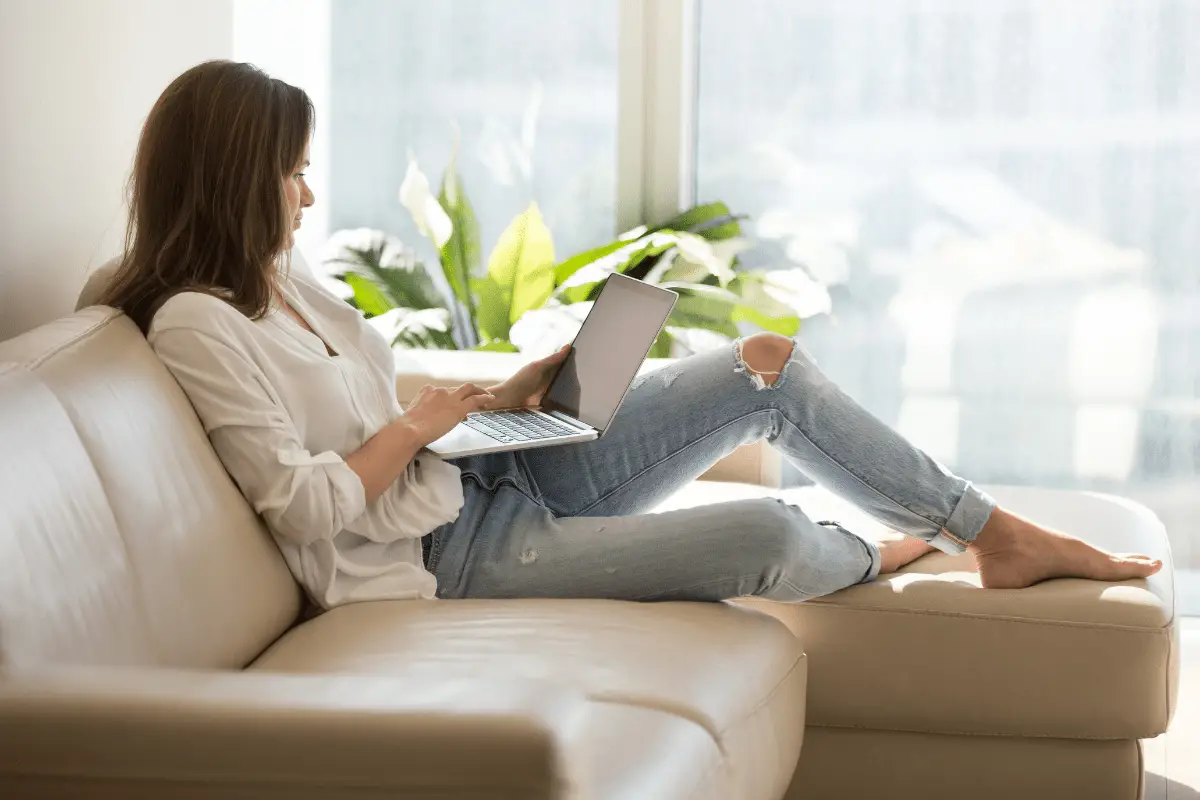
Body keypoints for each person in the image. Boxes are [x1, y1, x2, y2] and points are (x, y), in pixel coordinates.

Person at [100, 60, 1161, 611]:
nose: (308, 191)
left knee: (762, 365)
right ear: (238, 176)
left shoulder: (289, 284)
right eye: (291, 171)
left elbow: (376, 422)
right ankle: (876, 552)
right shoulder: (197, 322)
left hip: (481, 479)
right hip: (452, 557)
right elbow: (304, 502)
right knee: (768, 537)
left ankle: (989, 531)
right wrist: (417, 421)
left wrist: (502, 403)